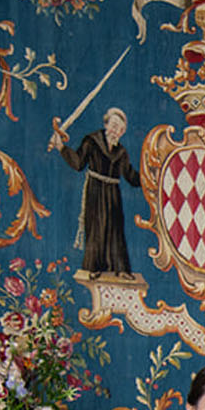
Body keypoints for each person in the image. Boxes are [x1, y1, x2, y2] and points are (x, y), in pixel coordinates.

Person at [54, 106, 141, 280]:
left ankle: (121, 269)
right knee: (96, 228)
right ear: (106, 124)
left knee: (116, 230)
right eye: (114, 125)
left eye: (120, 129)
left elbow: (131, 176)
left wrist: (148, 176)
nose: (116, 131)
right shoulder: (92, 141)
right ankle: (93, 268)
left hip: (113, 194)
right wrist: (61, 148)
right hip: (95, 190)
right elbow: (78, 163)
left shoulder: (121, 152)